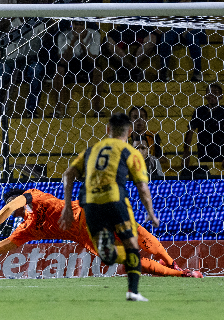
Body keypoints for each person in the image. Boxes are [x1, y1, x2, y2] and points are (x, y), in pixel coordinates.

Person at [0, 188, 201, 279]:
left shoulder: (34, 197)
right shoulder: (26, 230)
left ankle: (175, 267)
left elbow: (11, 206)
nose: (15, 211)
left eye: (15, 205)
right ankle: (178, 270)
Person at [59, 113, 160, 302]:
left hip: (89, 202)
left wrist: (66, 206)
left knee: (107, 257)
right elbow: (142, 187)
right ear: (129, 132)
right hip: (114, 199)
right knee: (132, 244)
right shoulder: (130, 151)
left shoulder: (91, 150)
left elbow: (68, 175)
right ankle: (133, 291)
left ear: (107, 129)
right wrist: (151, 213)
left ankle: (109, 250)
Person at [0, 15, 46, 118]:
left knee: (37, 69)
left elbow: (45, 38)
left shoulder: (38, 22)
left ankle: (31, 111)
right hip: (10, 61)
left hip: (30, 60)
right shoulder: (11, 21)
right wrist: (11, 18)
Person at [51, 20, 103, 118]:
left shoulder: (94, 34)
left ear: (86, 24)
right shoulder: (63, 36)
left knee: (98, 71)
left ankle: (96, 108)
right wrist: (73, 40)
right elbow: (63, 60)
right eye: (76, 24)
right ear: (71, 24)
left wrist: (82, 43)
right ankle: (58, 109)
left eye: (81, 24)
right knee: (59, 70)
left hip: (86, 64)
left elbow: (92, 60)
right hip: (70, 65)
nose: (78, 27)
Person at [182, 83, 224, 169]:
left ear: (221, 96)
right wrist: (186, 153)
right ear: (205, 95)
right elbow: (190, 132)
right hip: (203, 154)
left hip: (222, 155)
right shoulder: (200, 111)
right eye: (209, 92)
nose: (212, 95)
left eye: (215, 92)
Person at [158, 0, 206, 82]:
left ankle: (197, 73)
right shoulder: (172, 3)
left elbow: (203, 19)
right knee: (166, 37)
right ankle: (163, 72)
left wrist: (189, 29)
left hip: (196, 27)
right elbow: (166, 18)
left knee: (192, 37)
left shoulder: (199, 2)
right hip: (177, 28)